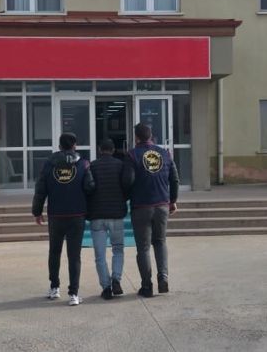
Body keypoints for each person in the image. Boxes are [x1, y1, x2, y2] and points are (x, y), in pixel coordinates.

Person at [32, 132, 95, 306]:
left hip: (56, 215)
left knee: (54, 252)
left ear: (59, 146)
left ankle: (54, 287)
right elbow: (90, 187)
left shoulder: (49, 164)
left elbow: (40, 190)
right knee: (74, 255)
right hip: (77, 215)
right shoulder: (83, 164)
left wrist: (37, 211)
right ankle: (74, 294)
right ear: (75, 145)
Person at [126, 123, 179, 298]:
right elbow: (175, 179)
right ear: (151, 136)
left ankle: (147, 286)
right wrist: (172, 201)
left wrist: (127, 197)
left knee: (143, 248)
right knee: (160, 242)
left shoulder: (132, 155)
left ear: (136, 137)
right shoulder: (164, 153)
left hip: (141, 206)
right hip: (162, 205)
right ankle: (163, 277)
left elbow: (128, 181)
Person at [87, 139, 134, 300]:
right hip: (116, 214)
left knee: (100, 255)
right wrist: (122, 200)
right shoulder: (120, 165)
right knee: (118, 249)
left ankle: (106, 287)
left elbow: (87, 188)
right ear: (113, 150)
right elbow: (127, 185)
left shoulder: (92, 166)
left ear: (100, 150)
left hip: (97, 215)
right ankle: (116, 280)